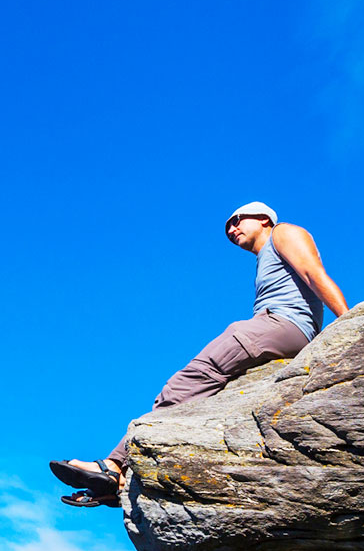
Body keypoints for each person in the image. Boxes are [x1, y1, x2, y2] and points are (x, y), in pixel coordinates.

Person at [52, 201, 348, 507]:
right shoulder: (266, 256)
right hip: (282, 327)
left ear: (263, 219)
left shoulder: (283, 232)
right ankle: (115, 481)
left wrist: (348, 324)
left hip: (281, 323)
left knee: (185, 383)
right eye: (228, 228)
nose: (231, 229)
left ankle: (113, 466)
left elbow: (314, 274)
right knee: (204, 391)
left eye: (236, 220)